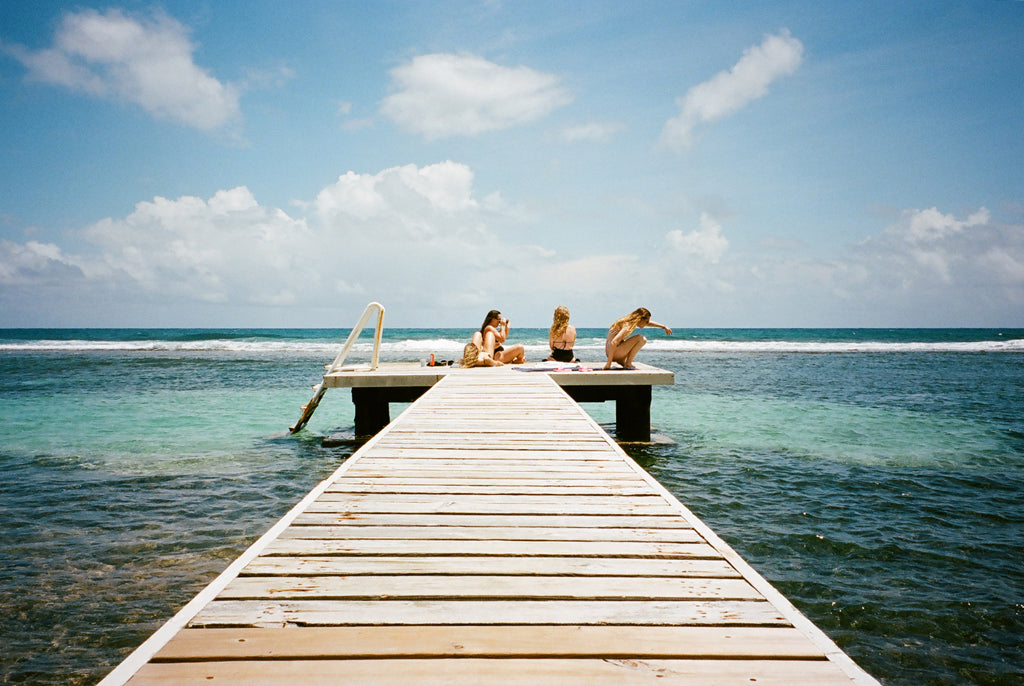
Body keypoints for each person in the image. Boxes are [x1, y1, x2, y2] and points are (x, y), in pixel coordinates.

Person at [604, 307, 672, 370]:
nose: (647, 323)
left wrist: (663, 327)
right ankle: (628, 363)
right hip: (613, 352)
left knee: (632, 340)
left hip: (612, 351)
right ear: (640, 319)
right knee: (641, 338)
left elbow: (649, 323)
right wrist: (608, 363)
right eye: (646, 321)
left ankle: (623, 362)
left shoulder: (630, 322)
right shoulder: (627, 325)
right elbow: (614, 342)